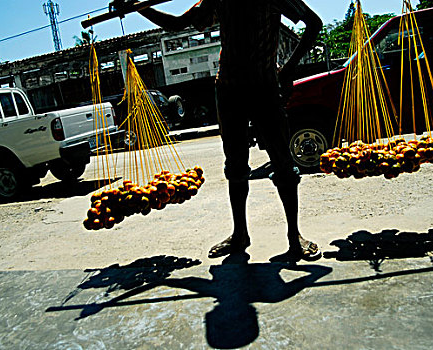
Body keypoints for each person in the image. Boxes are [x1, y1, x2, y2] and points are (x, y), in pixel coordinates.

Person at [138, 0, 323, 261]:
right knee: (235, 166)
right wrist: (141, 9)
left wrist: (288, 68)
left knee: (283, 164)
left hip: (264, 87)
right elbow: (178, 24)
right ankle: (240, 234)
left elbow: (313, 24)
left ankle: (294, 235)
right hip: (229, 90)